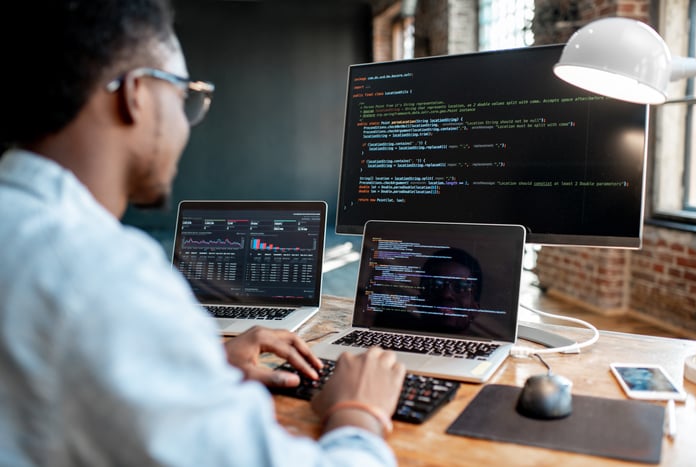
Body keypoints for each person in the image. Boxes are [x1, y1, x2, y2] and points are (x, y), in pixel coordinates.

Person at [0, 1, 405, 466]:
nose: (186, 124)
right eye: (184, 96)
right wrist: (360, 413)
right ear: (136, 94)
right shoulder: (105, 276)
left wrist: (199, 370)